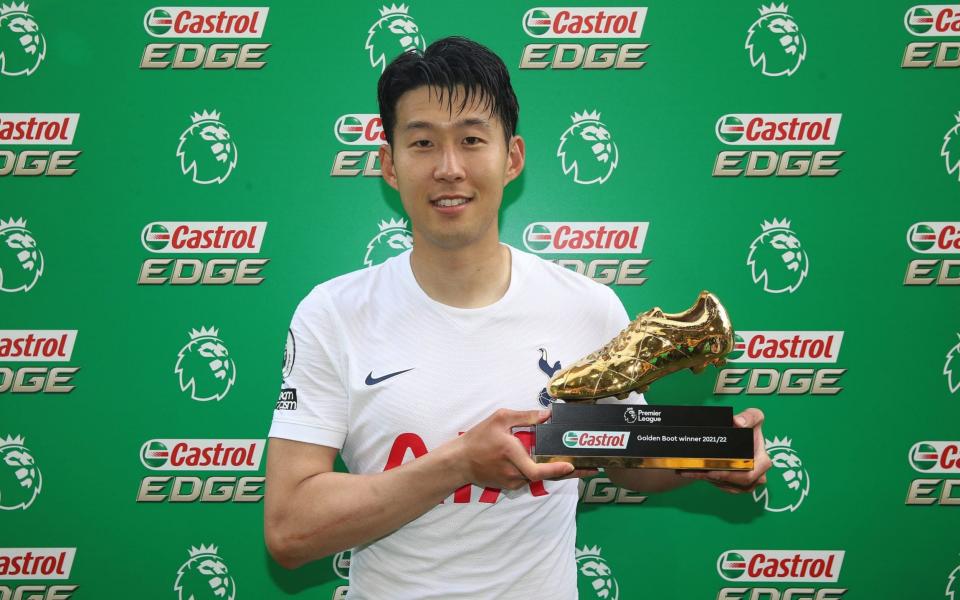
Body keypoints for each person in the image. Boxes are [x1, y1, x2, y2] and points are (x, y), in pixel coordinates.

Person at [264, 36, 771, 598]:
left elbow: (630, 461)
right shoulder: (332, 314)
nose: (449, 168)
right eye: (423, 143)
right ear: (389, 164)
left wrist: (705, 459)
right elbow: (289, 530)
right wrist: (460, 463)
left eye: (472, 140)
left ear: (513, 158)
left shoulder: (587, 305)